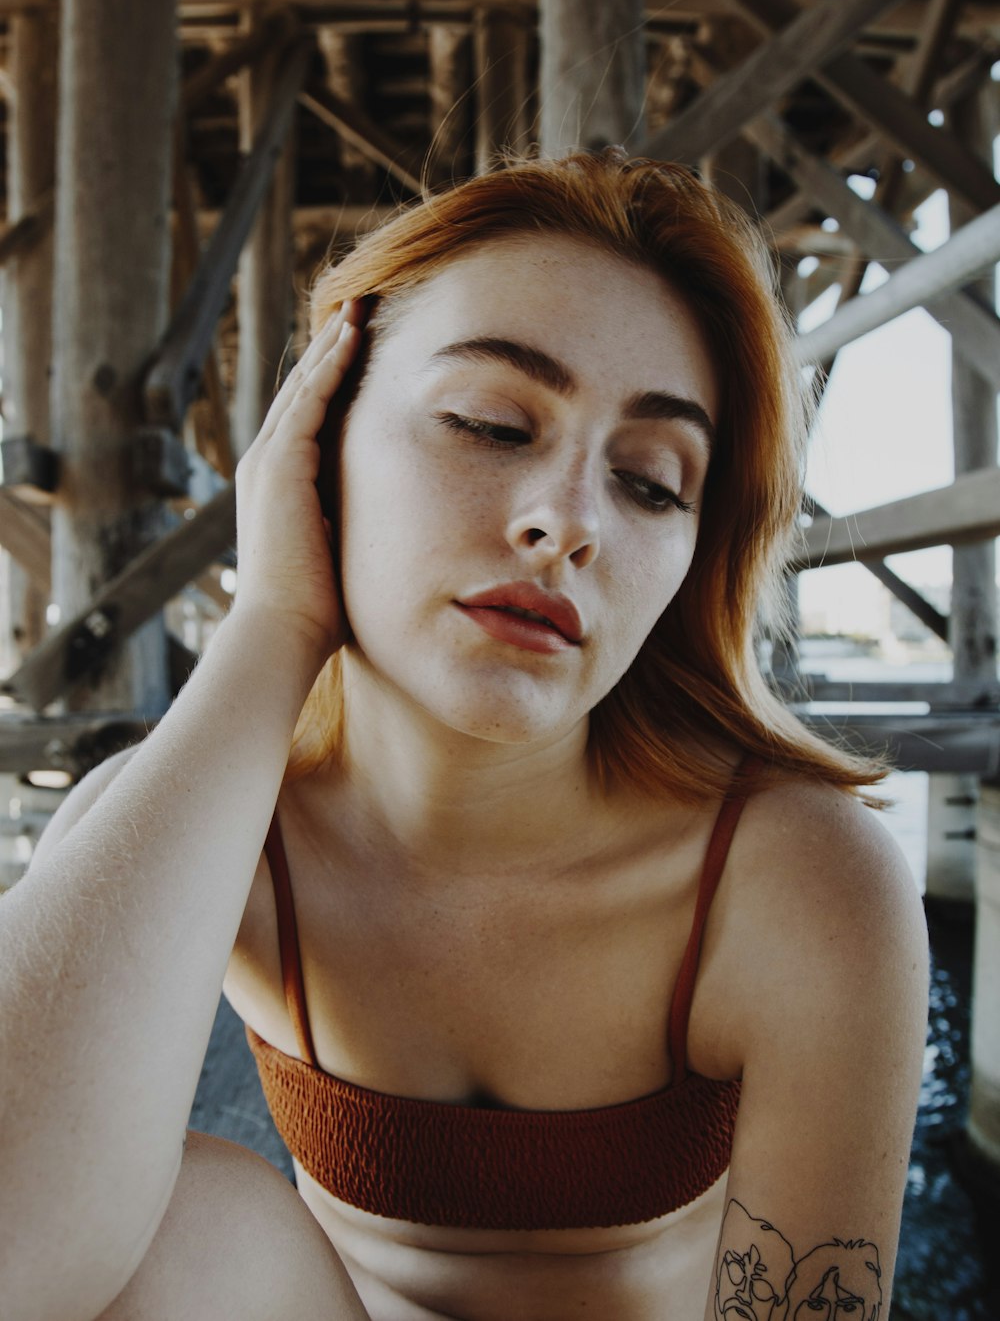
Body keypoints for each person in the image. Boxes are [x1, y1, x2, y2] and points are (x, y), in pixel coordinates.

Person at [0, 149, 928, 1321]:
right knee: (188, 1217)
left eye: (649, 481)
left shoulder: (793, 879)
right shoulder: (208, 821)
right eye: (491, 424)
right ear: (321, 443)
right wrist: (275, 623)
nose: (566, 523)